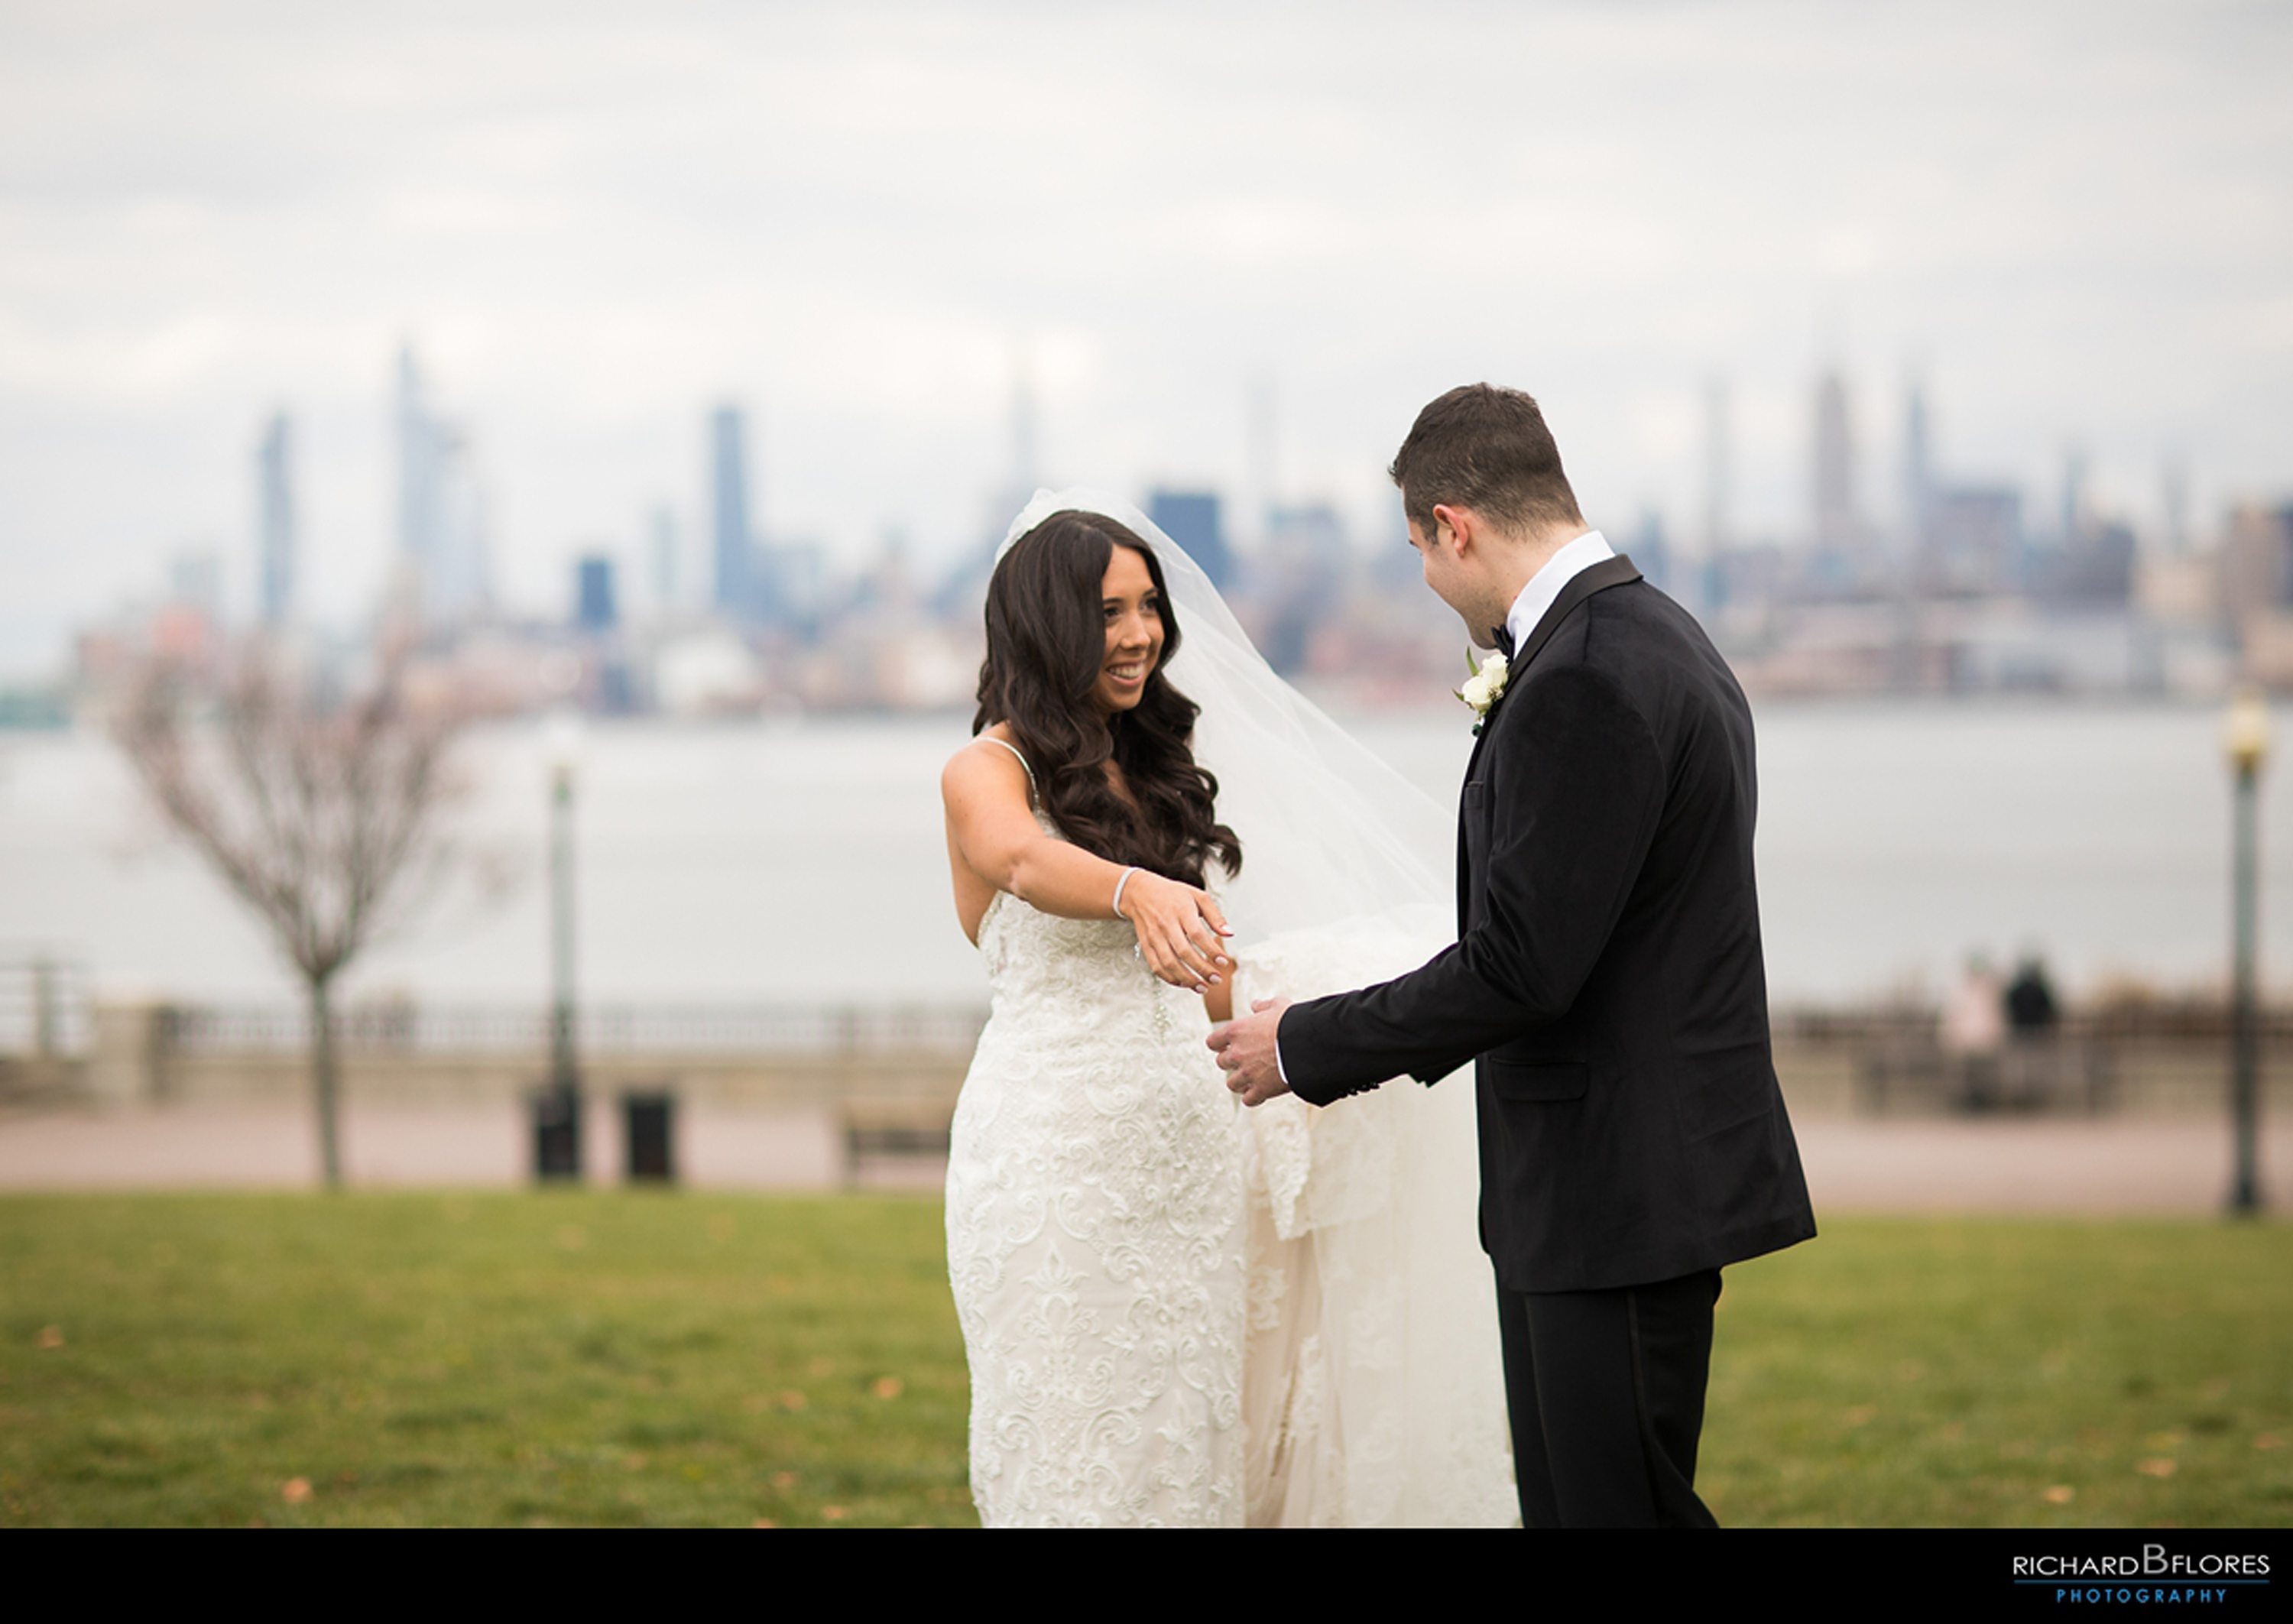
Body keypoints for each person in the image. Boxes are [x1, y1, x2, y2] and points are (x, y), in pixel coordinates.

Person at [1211, 384, 1818, 1528]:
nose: (1428, 583)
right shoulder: (1652, 633)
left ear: (1457, 525)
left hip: (1614, 1195)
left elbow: (1520, 966)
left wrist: (1303, 1042)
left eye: (1418, 552)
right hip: (1624, 1182)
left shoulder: (1585, 674)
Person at [940, 497, 1513, 1528]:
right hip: (1050, 1167)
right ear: (1044, 622)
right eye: (1109, 610)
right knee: (1074, 1452)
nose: (1140, 633)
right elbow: (1019, 857)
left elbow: (1208, 974)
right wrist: (1133, 889)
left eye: (1149, 606)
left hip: (1189, 1165)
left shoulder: (1156, 763)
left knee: (1187, 1451)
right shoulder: (987, 771)